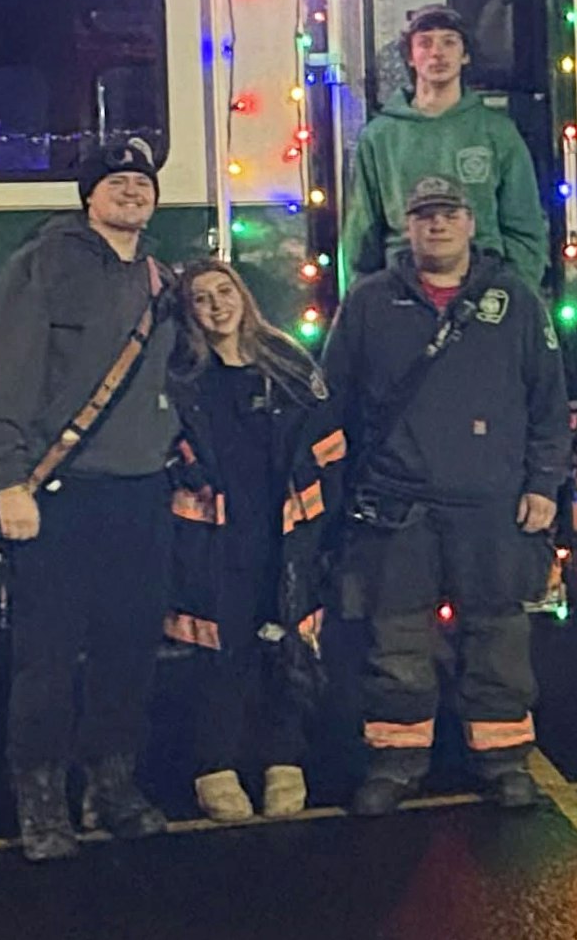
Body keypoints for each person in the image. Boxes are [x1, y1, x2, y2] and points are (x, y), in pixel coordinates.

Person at [322, 174, 571, 815]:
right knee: (398, 639)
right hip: (397, 507)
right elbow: (333, 401)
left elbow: (548, 404)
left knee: (499, 635)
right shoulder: (371, 302)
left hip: (492, 505)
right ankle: (397, 762)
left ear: (470, 224)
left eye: (448, 214)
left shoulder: (514, 302)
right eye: (424, 215)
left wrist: (544, 486)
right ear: (407, 228)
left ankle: (503, 759)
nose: (436, 226)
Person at [0, 137, 177, 862]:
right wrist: (9, 479)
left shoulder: (161, 277)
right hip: (58, 496)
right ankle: (42, 802)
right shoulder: (41, 265)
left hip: (142, 495)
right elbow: (4, 377)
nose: (130, 190)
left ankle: (112, 786)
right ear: (87, 197)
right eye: (115, 181)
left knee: (128, 652)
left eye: (140, 182)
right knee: (46, 659)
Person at [165, 259, 347, 823]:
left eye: (225, 292)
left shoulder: (289, 364)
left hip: (285, 529)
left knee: (287, 643)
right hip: (213, 537)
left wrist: (321, 525)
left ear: (244, 296)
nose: (217, 305)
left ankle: (284, 761)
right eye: (201, 298)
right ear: (188, 312)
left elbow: (330, 446)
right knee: (220, 649)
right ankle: (214, 768)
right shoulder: (179, 377)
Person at [340, 5, 550, 290]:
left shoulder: (497, 132)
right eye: (425, 43)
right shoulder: (379, 137)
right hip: (402, 290)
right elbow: (361, 235)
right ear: (411, 58)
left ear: (465, 55)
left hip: (483, 286)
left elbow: (526, 229)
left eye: (449, 42)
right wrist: (363, 301)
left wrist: (513, 294)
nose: (437, 53)